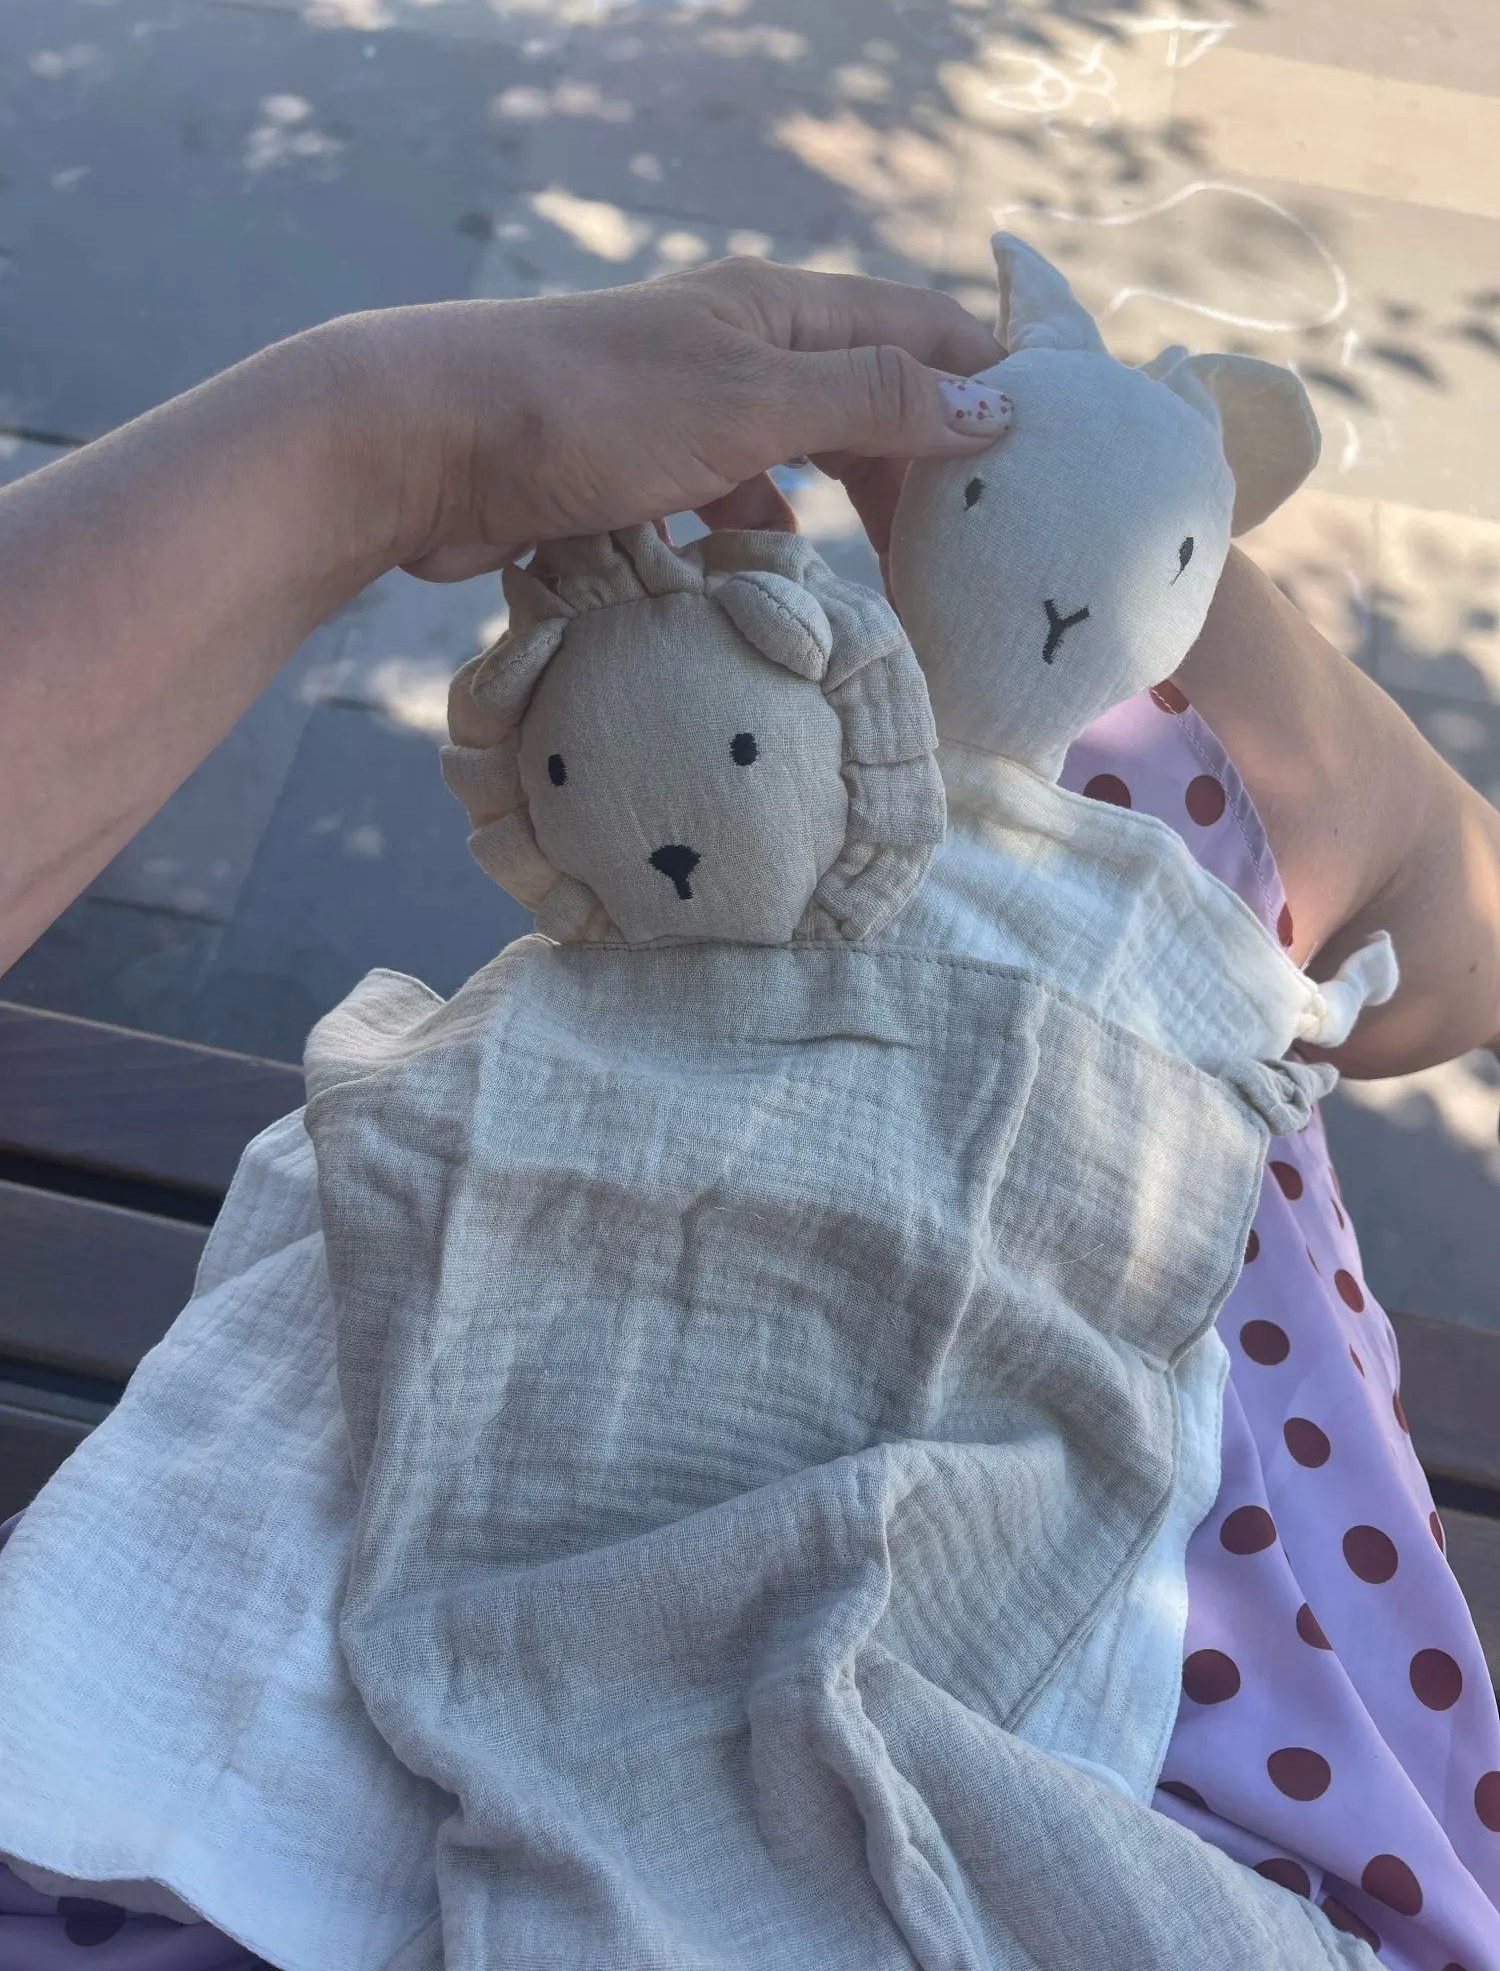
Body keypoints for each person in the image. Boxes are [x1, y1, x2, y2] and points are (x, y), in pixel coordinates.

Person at [0, 258, 1497, 1968]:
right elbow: (1448, 939)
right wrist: (398, 436)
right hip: (1184, 1814)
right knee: (1160, 782)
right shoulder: (1168, 792)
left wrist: (395, 436)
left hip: (186, 1793)